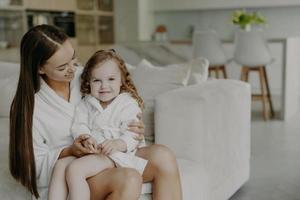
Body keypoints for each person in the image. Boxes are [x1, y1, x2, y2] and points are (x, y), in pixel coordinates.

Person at [9, 24, 182, 200]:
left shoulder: (88, 76)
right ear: (40, 69)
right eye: (62, 67)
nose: (73, 69)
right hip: (73, 173)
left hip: (108, 152)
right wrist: (70, 151)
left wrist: (132, 128)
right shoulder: (29, 107)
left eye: (74, 59)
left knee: (163, 156)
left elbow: (118, 99)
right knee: (129, 178)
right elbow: (32, 168)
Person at [48, 49, 149, 200]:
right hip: (93, 152)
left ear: (121, 80)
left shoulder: (128, 103)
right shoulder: (87, 102)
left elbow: (133, 134)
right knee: (60, 166)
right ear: (88, 82)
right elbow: (79, 124)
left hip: (114, 154)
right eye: (97, 81)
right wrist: (85, 137)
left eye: (111, 79)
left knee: (75, 169)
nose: (104, 86)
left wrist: (118, 143)